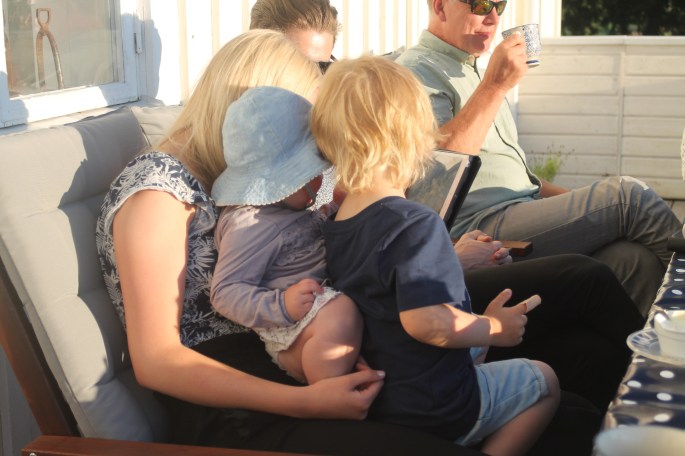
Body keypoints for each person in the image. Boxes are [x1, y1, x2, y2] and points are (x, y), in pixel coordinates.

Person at [96, 29, 476, 455]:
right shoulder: (159, 192)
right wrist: (308, 402)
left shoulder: (252, 186)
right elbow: (157, 361)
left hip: (294, 359)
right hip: (239, 414)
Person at [314, 55, 560, 456]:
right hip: (438, 407)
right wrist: (494, 328)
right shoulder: (415, 223)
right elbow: (428, 323)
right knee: (544, 380)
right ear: (413, 139)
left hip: (382, 399)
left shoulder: (336, 224)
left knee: (478, 350)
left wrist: (479, 326)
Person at [395, 0, 681, 315]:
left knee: (632, 260)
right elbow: (438, 169)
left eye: (500, 5)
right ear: (440, 7)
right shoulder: (415, 72)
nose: (493, 18)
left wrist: (591, 208)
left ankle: (657, 343)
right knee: (629, 197)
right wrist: (494, 87)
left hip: (521, 212)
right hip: (478, 228)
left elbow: (522, 179)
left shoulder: (475, 70)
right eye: (482, 5)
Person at [210, 86, 361, 385]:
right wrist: (282, 305)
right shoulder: (251, 225)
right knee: (342, 312)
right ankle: (329, 393)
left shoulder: (292, 205)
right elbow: (225, 292)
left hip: (320, 318)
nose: (321, 180)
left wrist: (341, 206)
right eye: (312, 174)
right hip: (295, 330)